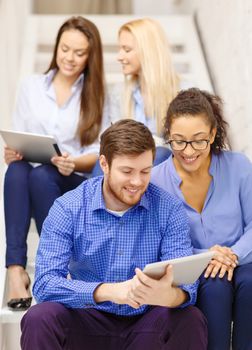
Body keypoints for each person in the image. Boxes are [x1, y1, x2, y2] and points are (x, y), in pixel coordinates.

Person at [20, 120, 207, 350]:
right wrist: (111, 291)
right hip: (87, 319)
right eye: (127, 171)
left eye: (145, 171)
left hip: (145, 325)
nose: (137, 182)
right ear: (104, 164)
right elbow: (45, 285)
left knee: (190, 319)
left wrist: (165, 295)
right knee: (39, 318)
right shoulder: (68, 208)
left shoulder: (169, 209)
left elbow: (188, 290)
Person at [4, 16, 108, 311]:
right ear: (56, 48)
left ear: (90, 56)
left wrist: (73, 161)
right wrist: (12, 152)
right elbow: (20, 135)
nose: (70, 58)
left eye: (79, 53)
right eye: (65, 49)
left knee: (41, 176)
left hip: (72, 179)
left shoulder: (98, 94)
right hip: (34, 177)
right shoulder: (31, 86)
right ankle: (15, 269)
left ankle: (57, 265)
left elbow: (100, 150)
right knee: (17, 169)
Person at [151, 88, 252, 350]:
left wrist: (232, 254)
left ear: (213, 134)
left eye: (199, 140)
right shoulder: (155, 181)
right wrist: (207, 256)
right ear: (168, 138)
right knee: (215, 288)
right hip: (195, 268)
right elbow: (158, 242)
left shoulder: (238, 166)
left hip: (243, 260)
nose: (189, 151)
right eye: (179, 141)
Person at [92, 17, 178, 176]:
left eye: (126, 49)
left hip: (163, 167)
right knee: (103, 163)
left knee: (159, 155)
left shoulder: (182, 92)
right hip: (126, 164)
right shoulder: (119, 94)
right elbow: (111, 141)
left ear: (148, 51)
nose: (119, 57)